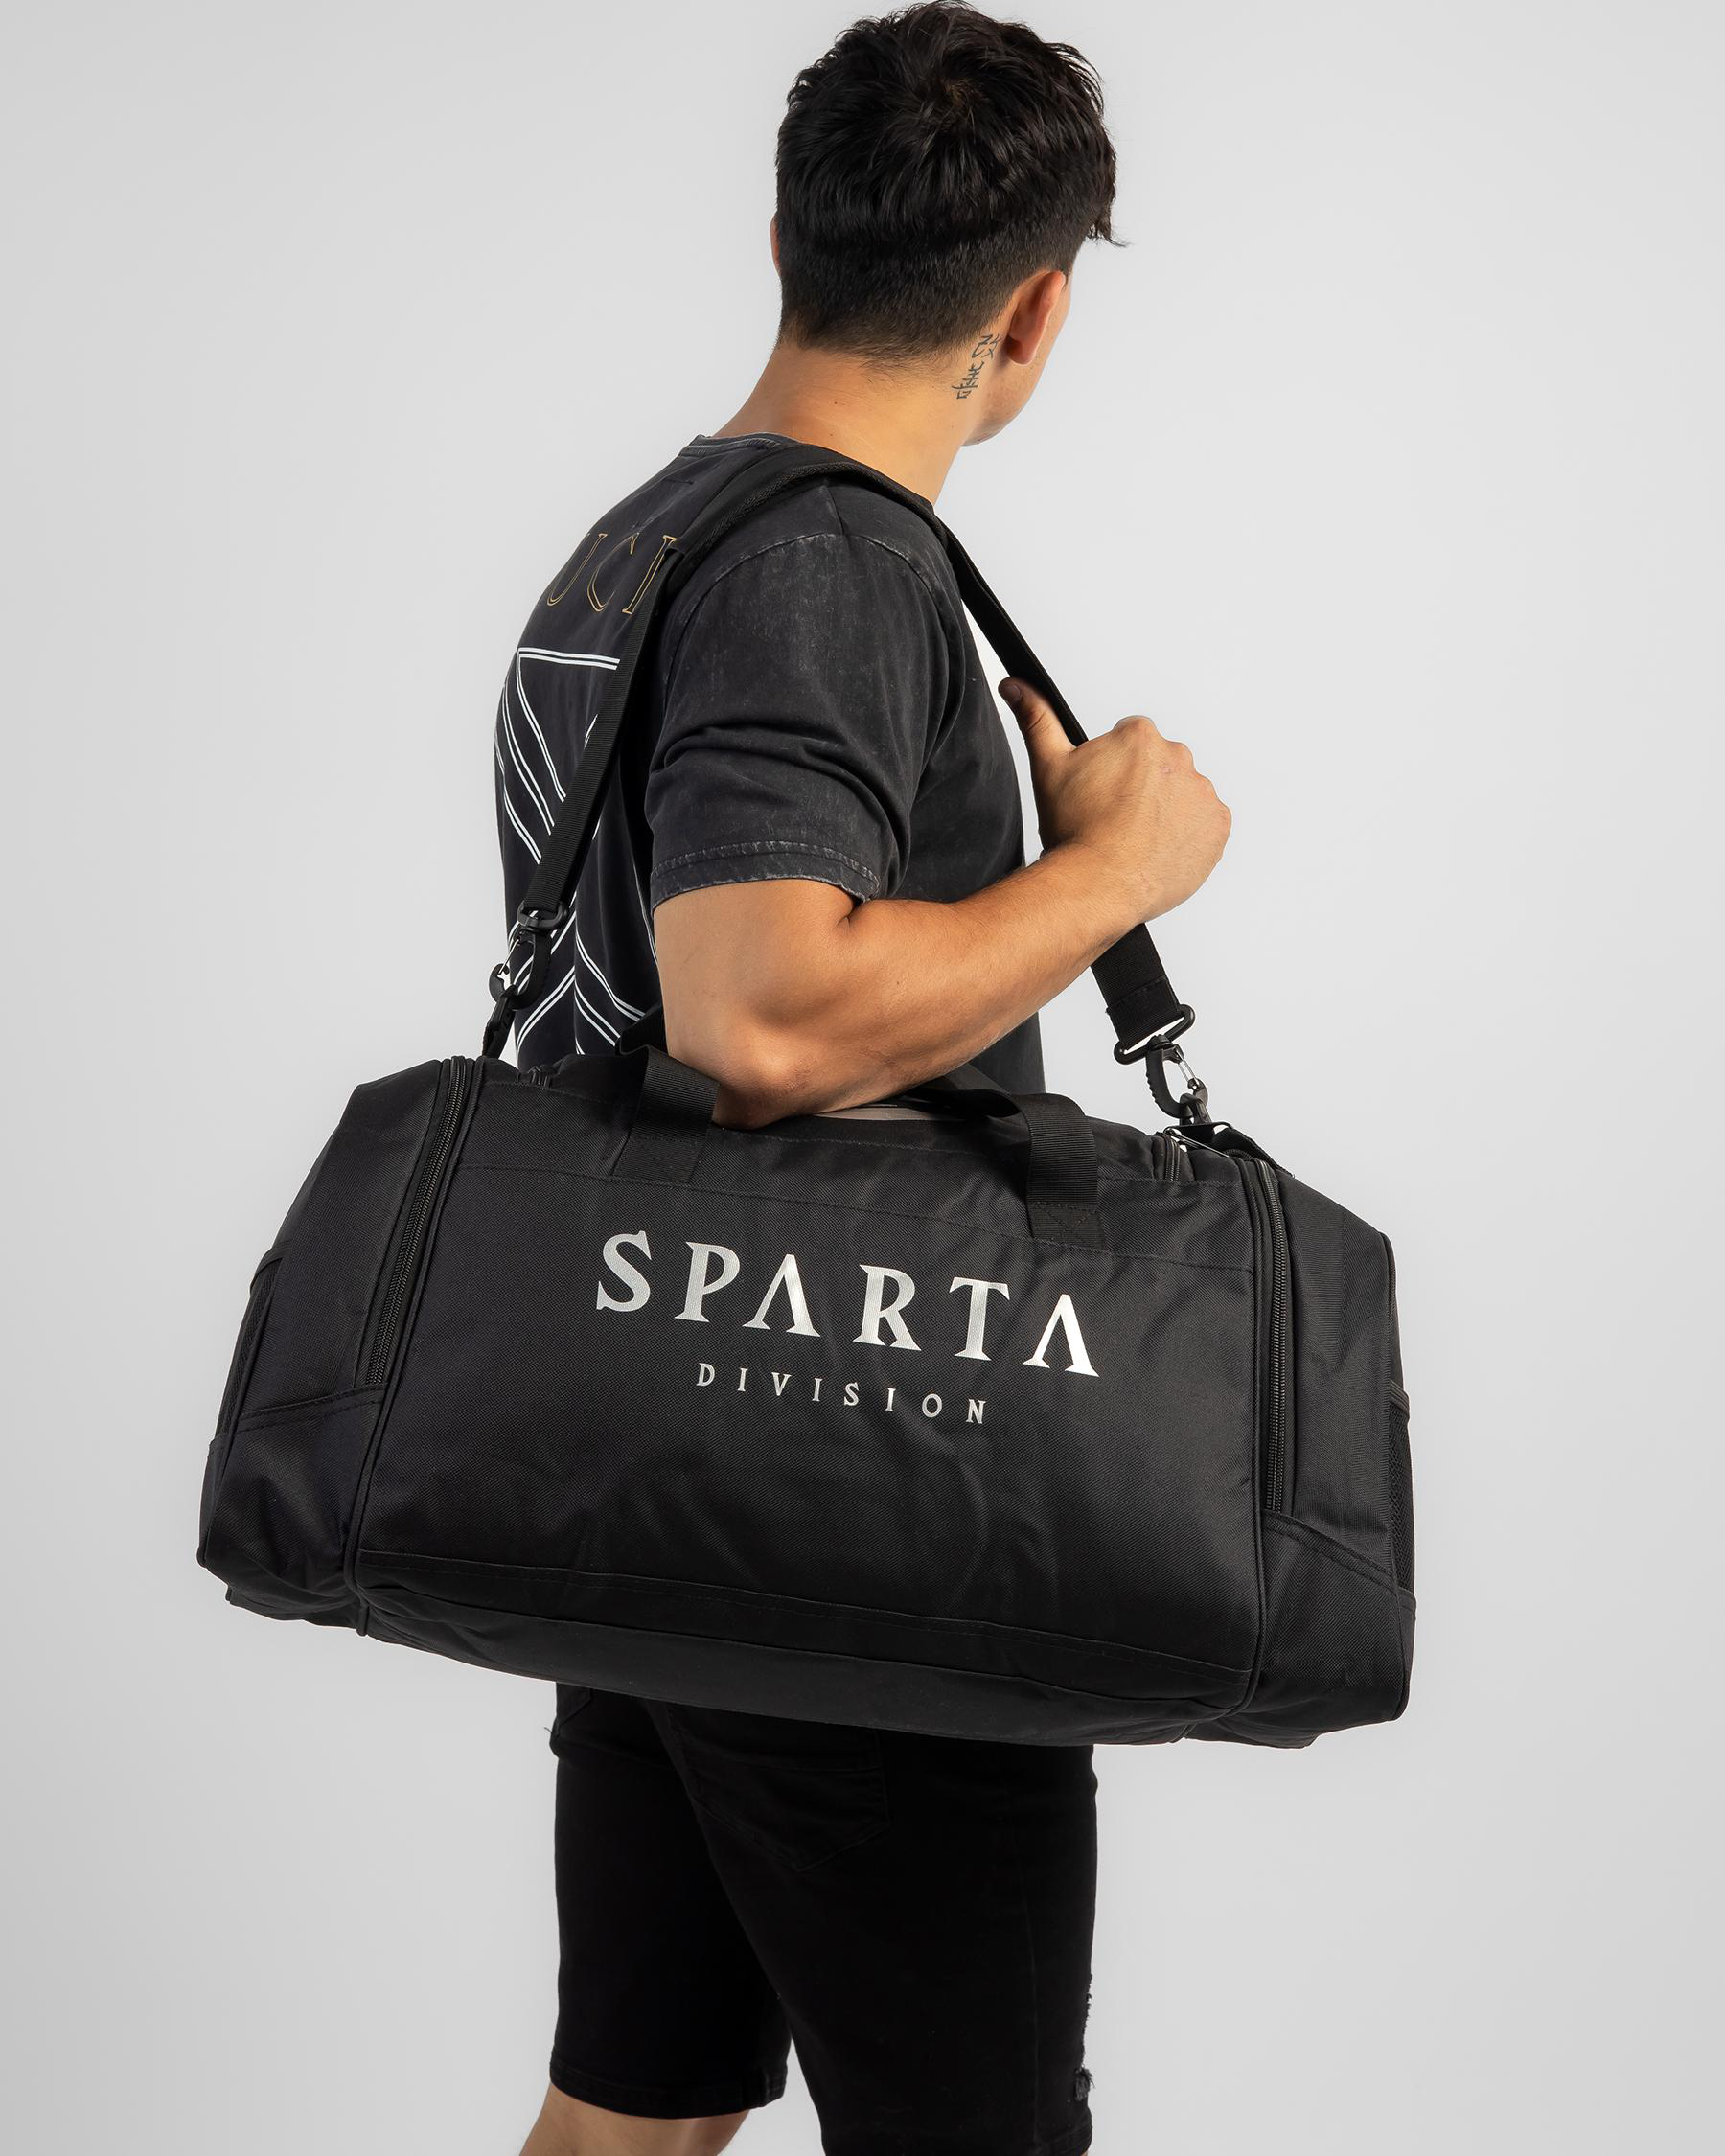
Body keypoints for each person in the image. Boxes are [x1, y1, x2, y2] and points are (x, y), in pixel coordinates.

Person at [496, 9, 1230, 2152]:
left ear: (784, 240)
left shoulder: (654, 539)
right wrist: (1114, 876)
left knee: (634, 2107)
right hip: (859, 1485)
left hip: (663, 1429)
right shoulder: (826, 566)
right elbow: (758, 1014)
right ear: (1037, 311)